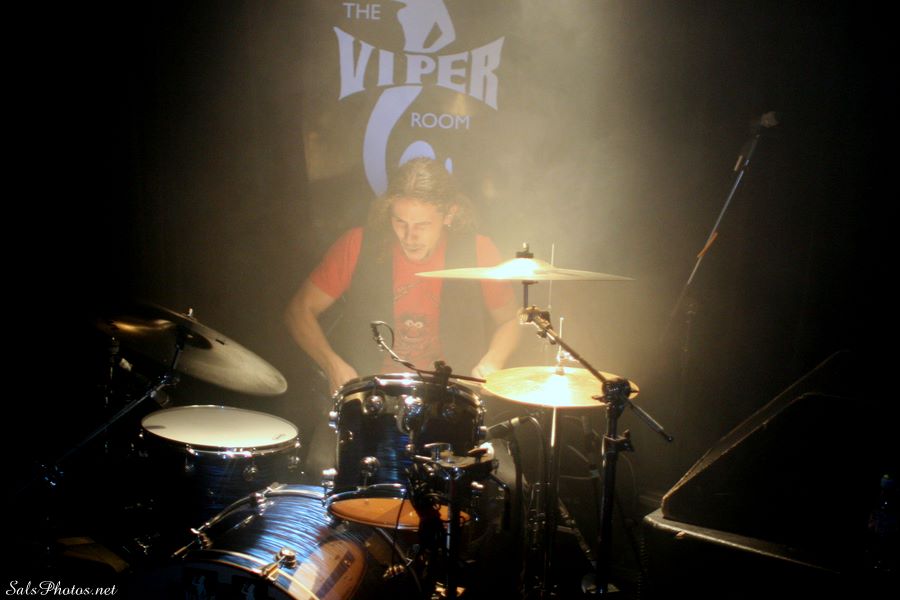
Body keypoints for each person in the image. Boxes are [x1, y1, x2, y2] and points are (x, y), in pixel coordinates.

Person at [286, 157, 521, 394]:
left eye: (422, 225)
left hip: (451, 397)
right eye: (400, 222)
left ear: (449, 215)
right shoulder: (356, 245)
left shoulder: (479, 251)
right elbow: (299, 311)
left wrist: (492, 361)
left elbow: (510, 320)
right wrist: (332, 364)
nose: (409, 236)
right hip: (373, 396)